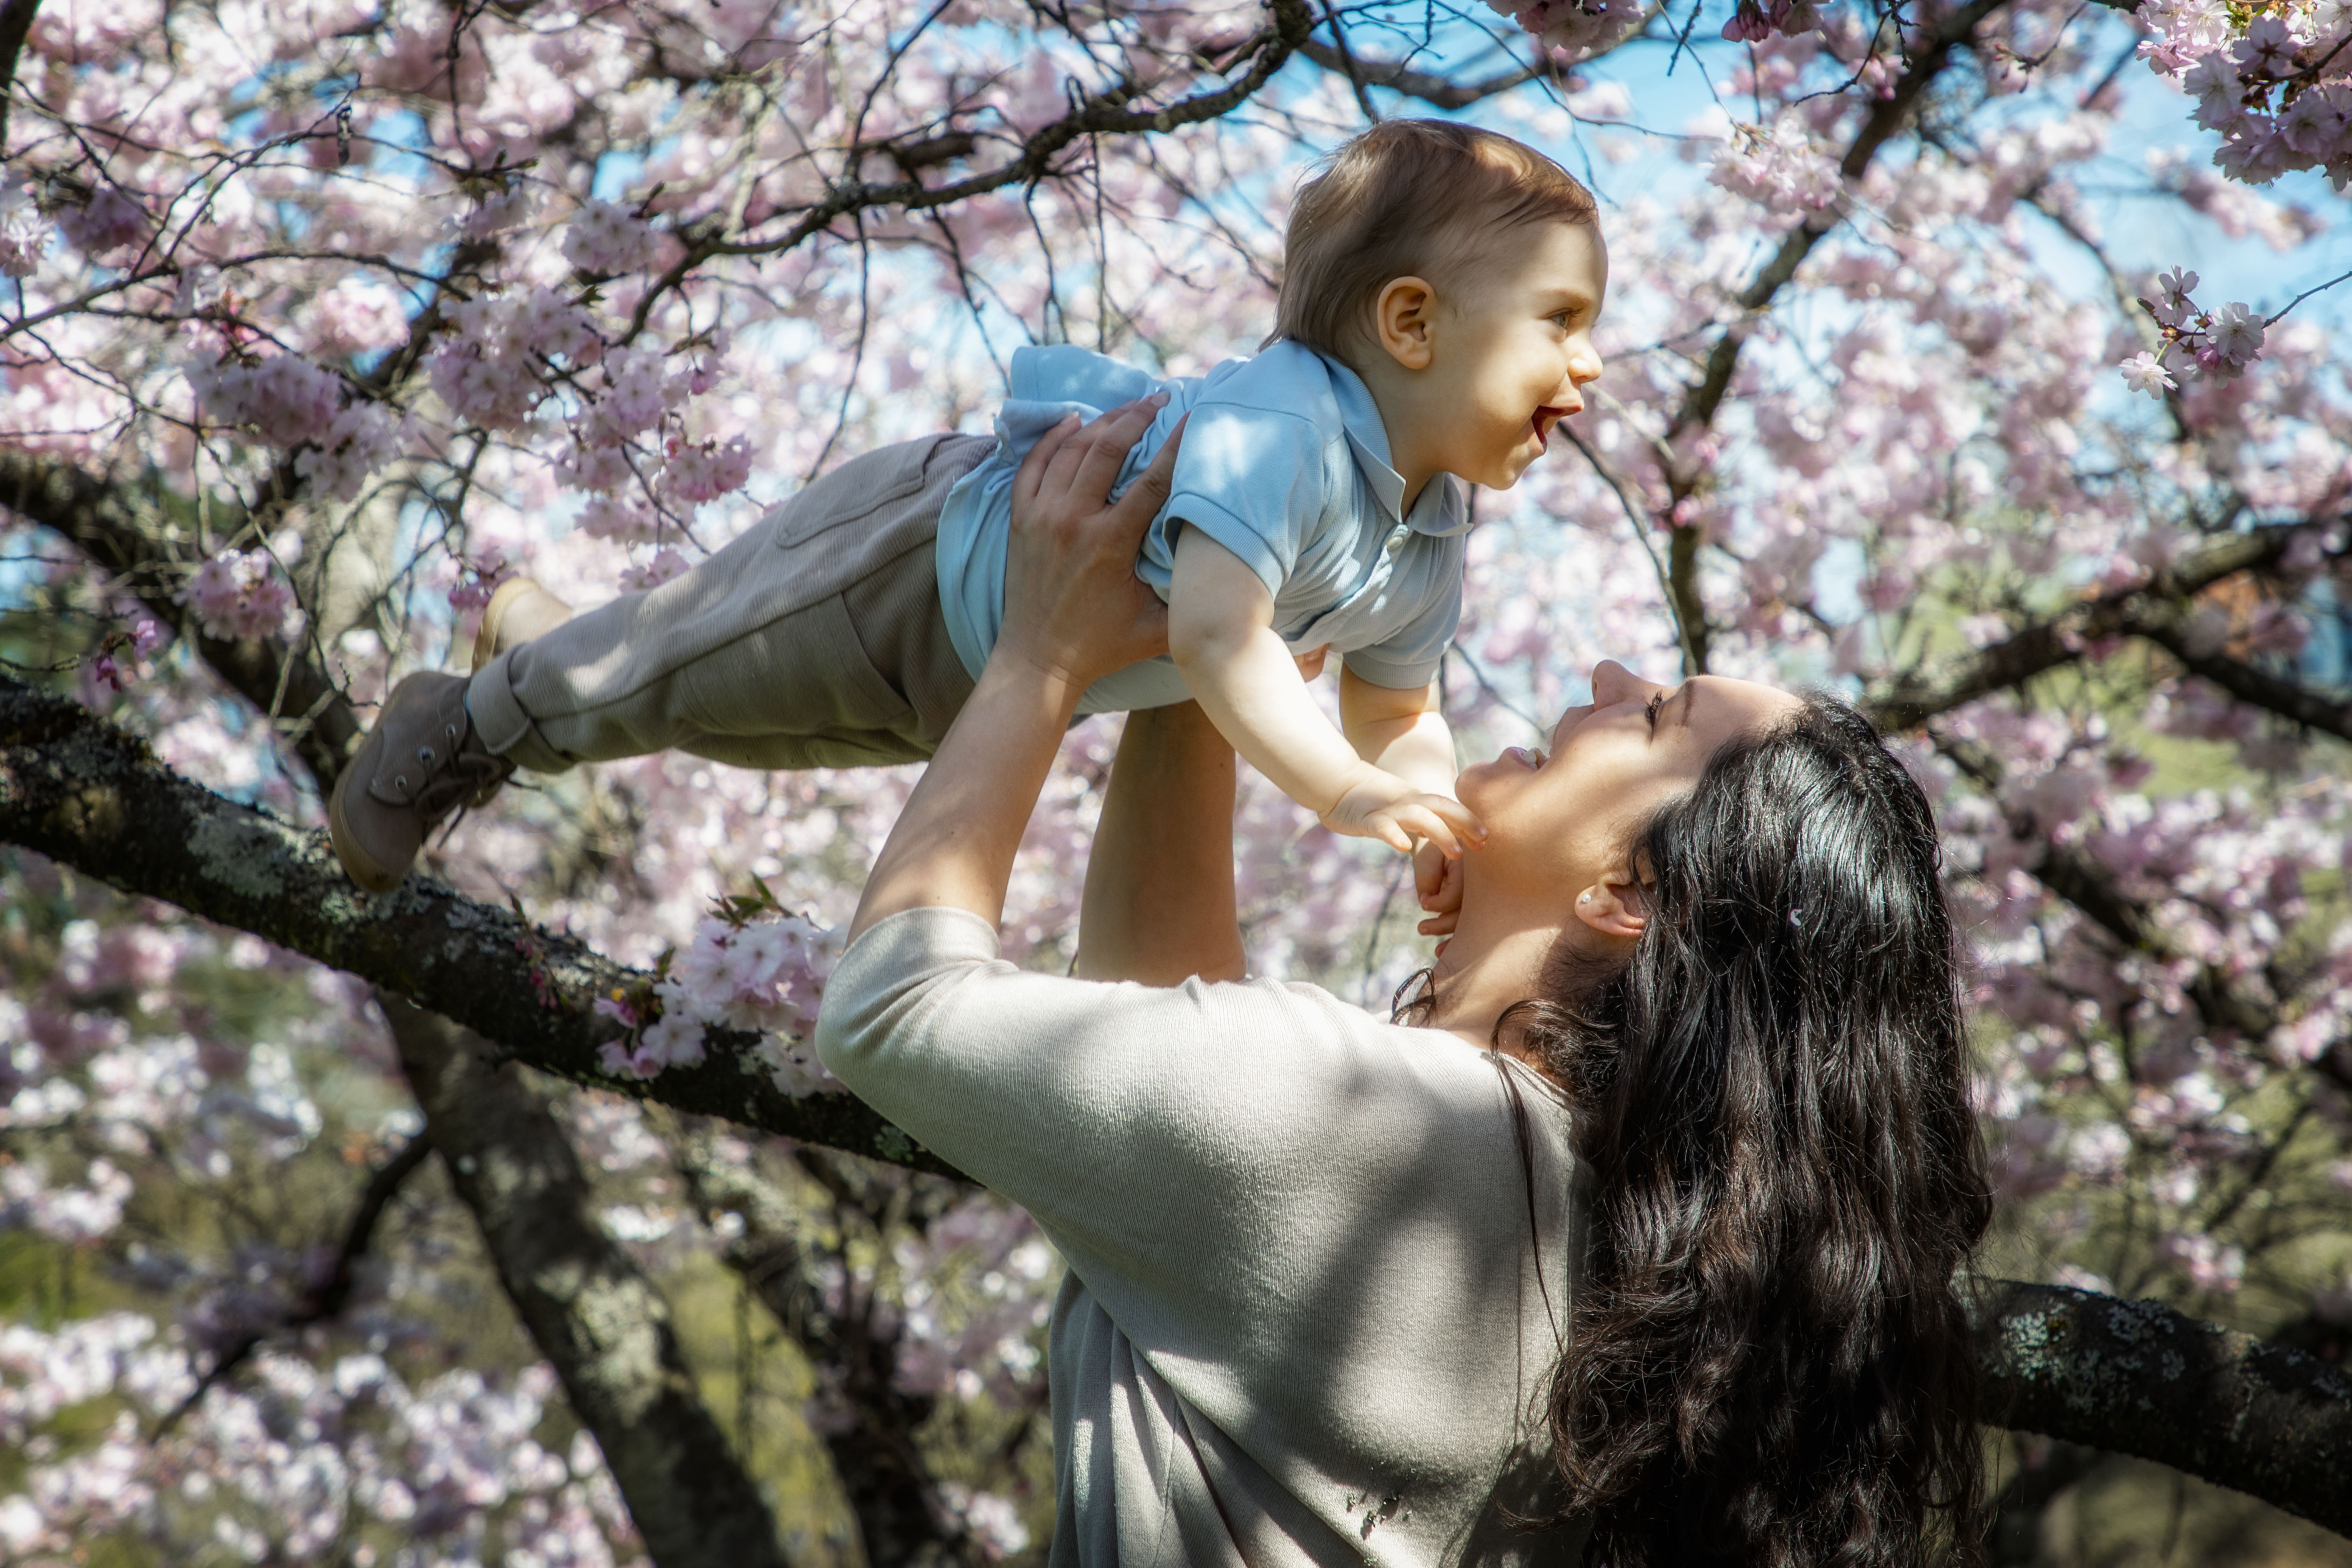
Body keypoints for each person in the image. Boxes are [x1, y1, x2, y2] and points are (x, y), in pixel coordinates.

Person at [814, 400, 1994, 1566]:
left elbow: (892, 1013)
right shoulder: (1620, 1227)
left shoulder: (1382, 1131)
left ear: (1630, 894)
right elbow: (1164, 1022)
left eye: (1650, 716)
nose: (1605, 668)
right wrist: (1216, 645)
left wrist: (1042, 654)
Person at [327, 119, 1607, 907]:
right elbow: (1224, 643)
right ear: (1411, 322)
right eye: (1562, 321)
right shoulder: (1283, 424)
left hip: (1005, 677)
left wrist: (1429, 810)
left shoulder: (1431, 524)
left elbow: (1398, 709)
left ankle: (550, 638)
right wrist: (1341, 793)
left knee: (729, 728)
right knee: (677, 679)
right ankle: (464, 722)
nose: (1592, 365)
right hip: (914, 559)